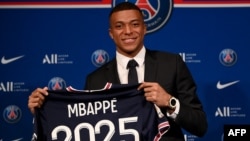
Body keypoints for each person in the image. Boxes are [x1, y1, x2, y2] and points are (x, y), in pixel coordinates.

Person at [28, 2, 207, 141]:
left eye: (135, 24)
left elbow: (200, 125)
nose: (128, 31)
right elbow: (83, 129)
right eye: (119, 26)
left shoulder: (172, 64)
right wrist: (43, 110)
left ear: (144, 28)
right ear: (111, 33)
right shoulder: (95, 80)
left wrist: (169, 101)